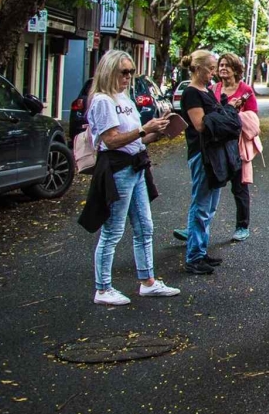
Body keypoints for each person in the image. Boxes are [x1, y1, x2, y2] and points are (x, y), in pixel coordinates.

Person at [85, 50, 179, 305]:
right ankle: (103, 288)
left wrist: (157, 131)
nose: (128, 77)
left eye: (131, 72)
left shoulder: (123, 97)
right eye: (123, 72)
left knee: (145, 227)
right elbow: (111, 140)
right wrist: (143, 129)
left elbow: (137, 138)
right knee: (112, 231)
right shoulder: (103, 101)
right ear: (108, 71)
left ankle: (148, 281)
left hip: (136, 165)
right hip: (118, 168)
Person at [177, 49, 226, 275]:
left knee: (210, 205)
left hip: (214, 152)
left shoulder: (207, 90)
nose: (214, 73)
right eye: (211, 68)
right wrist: (224, 118)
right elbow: (200, 124)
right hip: (201, 152)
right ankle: (194, 256)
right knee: (201, 205)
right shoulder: (191, 93)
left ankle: (201, 249)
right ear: (197, 69)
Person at [214, 53, 259, 242]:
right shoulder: (214, 89)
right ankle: (197, 226)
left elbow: (254, 118)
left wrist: (234, 114)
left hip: (238, 145)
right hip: (217, 144)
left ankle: (242, 225)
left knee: (239, 188)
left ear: (236, 69)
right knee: (209, 186)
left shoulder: (245, 90)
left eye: (227, 65)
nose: (223, 68)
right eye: (221, 65)